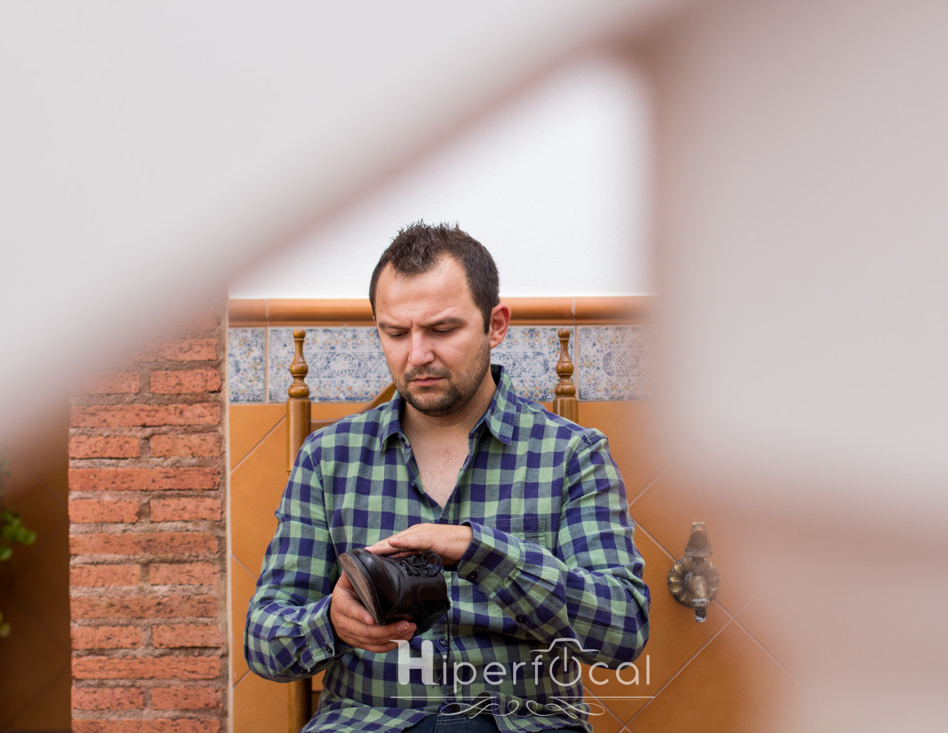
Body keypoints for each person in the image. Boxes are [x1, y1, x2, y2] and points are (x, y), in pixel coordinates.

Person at [245, 223, 650, 733]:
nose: (417, 355)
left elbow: (623, 632)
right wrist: (329, 623)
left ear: (495, 325)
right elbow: (264, 642)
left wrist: (482, 552)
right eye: (395, 333)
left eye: (441, 330)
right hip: (370, 720)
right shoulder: (329, 458)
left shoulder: (571, 454)